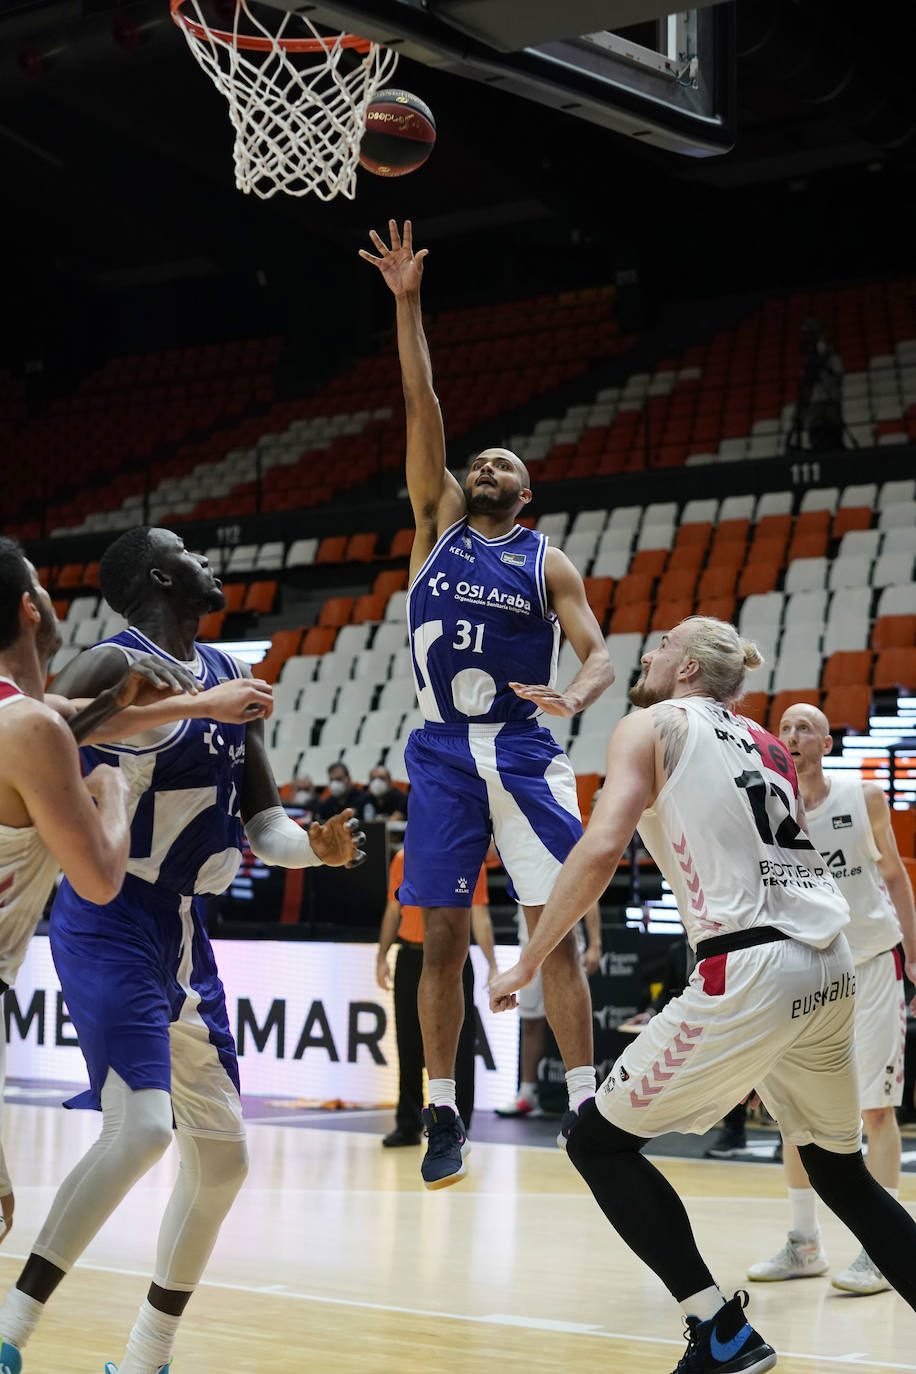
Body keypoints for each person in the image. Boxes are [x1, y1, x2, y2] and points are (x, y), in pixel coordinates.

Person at [490, 616, 916, 1374]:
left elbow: (602, 845)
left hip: (749, 966)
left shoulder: (649, 722)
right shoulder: (767, 741)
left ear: (686, 668)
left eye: (658, 648)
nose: (646, 656)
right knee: (840, 1171)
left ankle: (720, 1332)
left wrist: (531, 957)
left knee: (595, 1141)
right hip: (829, 962)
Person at [0, 526, 364, 1374]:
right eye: (193, 551)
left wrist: (320, 850)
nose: (211, 561)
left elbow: (265, 824)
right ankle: (12, 1333)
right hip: (109, 914)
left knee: (226, 1161)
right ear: (163, 574)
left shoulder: (235, 678)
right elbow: (53, 728)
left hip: (186, 936)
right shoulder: (101, 661)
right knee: (139, 1134)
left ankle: (145, 1355)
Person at [360, 220, 614, 1188]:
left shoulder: (547, 560)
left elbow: (596, 655)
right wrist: (408, 301)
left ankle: (587, 1104)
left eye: (505, 465)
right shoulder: (434, 524)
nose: (486, 468)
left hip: (522, 748)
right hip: (438, 752)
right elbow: (421, 401)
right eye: (481, 461)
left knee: (552, 924)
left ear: (527, 491)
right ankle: (441, 1112)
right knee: (442, 941)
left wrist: (575, 693)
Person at [747, 701, 916, 1295]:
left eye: (805, 728)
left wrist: (914, 955)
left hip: (870, 963)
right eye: (785, 728)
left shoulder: (863, 797)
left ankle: (883, 1250)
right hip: (809, 968)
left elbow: (894, 875)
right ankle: (804, 1243)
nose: (792, 735)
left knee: (875, 1109)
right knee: (798, 1116)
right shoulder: (768, 805)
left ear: (825, 741)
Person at [376, 847, 495, 1147]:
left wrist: (493, 965)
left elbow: (480, 915)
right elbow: (394, 909)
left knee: (461, 1043)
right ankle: (408, 1123)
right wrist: (381, 956)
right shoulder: (405, 858)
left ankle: (460, 1122)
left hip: (453, 958)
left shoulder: (471, 861)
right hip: (411, 957)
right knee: (409, 1042)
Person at [496, 902, 602, 1119]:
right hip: (530, 947)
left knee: (571, 1020)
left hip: (567, 941)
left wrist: (596, 944)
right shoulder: (518, 869)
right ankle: (527, 1092)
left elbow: (590, 897)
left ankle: (581, 1096)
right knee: (529, 1020)